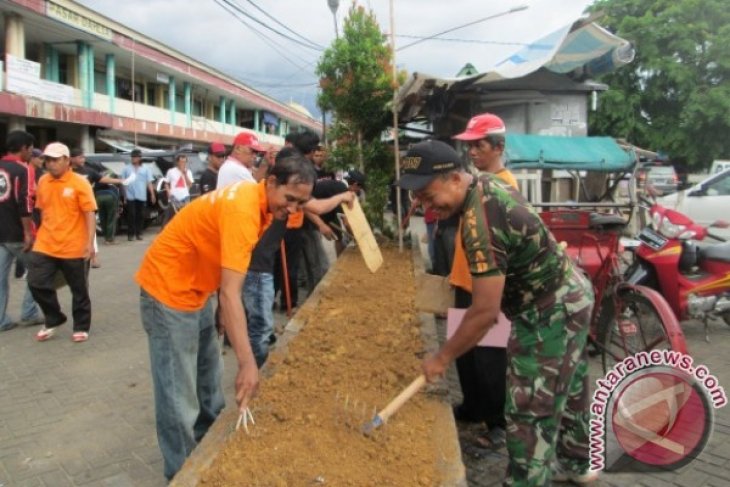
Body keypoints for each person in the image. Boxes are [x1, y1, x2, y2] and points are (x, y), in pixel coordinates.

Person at [398, 140, 595, 486]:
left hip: (548, 310)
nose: (426, 207)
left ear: (455, 179)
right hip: (570, 293)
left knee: (529, 408)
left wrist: (441, 358)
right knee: (571, 385)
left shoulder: (480, 225)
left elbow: (485, 312)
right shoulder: (485, 183)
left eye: (428, 196)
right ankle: (579, 465)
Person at [135, 154, 317, 480]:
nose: (292, 209)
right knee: (179, 396)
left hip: (198, 289)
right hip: (168, 292)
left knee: (208, 382)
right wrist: (247, 364)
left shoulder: (261, 204)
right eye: (289, 199)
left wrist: (219, 301)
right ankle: (182, 474)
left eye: (300, 203)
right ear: (270, 182)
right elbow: (233, 294)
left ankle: (210, 450)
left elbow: (227, 278)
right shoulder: (243, 209)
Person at [448, 113, 518, 449]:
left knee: (490, 355)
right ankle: (472, 406)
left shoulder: (503, 185)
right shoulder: (477, 182)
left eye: (480, 145)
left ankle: (497, 423)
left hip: (487, 287)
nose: (473, 151)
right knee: (466, 353)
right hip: (464, 280)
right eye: (470, 145)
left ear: (498, 147)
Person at [29, 142, 97, 343]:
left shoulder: (79, 183)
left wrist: (90, 244)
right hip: (46, 243)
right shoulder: (43, 182)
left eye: (56, 160)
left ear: (67, 161)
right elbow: (41, 210)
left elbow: (89, 213)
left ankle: (81, 326)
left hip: (74, 246)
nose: (51, 164)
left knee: (79, 290)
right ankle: (54, 317)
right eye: (48, 160)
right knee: (36, 282)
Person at [0, 130, 43, 332]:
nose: (31, 153)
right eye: (30, 149)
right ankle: (29, 312)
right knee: (39, 270)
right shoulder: (23, 169)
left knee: (1, 278)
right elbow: (24, 203)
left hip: (1, 233)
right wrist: (28, 233)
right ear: (24, 148)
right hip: (17, 233)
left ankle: (1, 319)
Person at [70, 148, 123, 253]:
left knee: (90, 230)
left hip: (86, 206)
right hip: (71, 206)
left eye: (83, 157)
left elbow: (102, 179)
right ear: (71, 159)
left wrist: (120, 181)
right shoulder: (66, 171)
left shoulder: (88, 171)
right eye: (80, 157)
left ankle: (93, 255)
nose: (83, 159)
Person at [311, 169, 366, 255]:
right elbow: (346, 223)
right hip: (309, 214)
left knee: (338, 237)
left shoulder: (340, 185)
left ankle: (339, 260)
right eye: (359, 189)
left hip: (324, 211)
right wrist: (357, 238)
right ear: (355, 185)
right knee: (314, 244)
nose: (357, 191)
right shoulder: (342, 190)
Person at [121, 149, 156, 241]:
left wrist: (152, 194)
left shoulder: (145, 169)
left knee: (140, 215)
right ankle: (130, 234)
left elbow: (149, 182)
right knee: (131, 214)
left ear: (139, 158)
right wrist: (124, 196)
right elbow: (123, 182)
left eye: (135, 157)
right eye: (132, 157)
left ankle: (139, 233)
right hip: (130, 195)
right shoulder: (126, 168)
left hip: (141, 195)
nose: (133, 159)